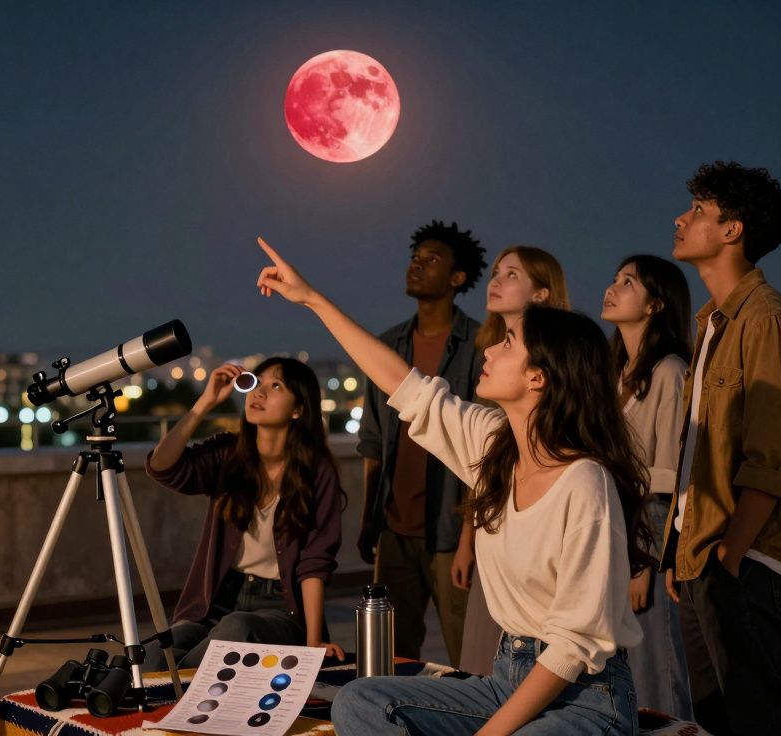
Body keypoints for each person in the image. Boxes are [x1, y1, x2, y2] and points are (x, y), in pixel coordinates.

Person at [256, 237, 650, 735]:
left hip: (584, 698)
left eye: (509, 344)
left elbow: (573, 645)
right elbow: (402, 384)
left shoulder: (585, 484)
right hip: (505, 677)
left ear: (539, 378)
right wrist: (311, 298)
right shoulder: (494, 445)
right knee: (361, 701)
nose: (490, 347)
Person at [661, 161, 781, 735]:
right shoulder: (715, 323)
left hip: (745, 559)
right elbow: (701, 451)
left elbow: (775, 459)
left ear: (732, 230)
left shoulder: (766, 321)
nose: (681, 218)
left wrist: (727, 557)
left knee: (760, 718)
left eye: (698, 210)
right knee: (717, 718)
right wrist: (684, 547)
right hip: (709, 554)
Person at [146, 358, 346, 667]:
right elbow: (163, 468)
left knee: (237, 629)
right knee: (155, 653)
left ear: (298, 409)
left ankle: (175, 686)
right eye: (257, 383)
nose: (259, 393)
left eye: (275, 386)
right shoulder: (228, 454)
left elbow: (314, 563)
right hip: (217, 602)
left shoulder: (316, 472)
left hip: (279, 608)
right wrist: (205, 403)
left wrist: (312, 642)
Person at [355, 220, 487, 667]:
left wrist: (470, 539)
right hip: (395, 528)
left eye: (432, 260)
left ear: (457, 279)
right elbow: (374, 442)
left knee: (466, 652)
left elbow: (483, 449)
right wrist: (369, 518)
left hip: (451, 531)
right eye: (416, 256)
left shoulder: (478, 346)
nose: (417, 265)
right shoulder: (390, 344)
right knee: (392, 654)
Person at [456, 245, 569, 676]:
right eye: (496, 272)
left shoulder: (556, 356)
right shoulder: (489, 356)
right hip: (494, 517)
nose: (495, 282)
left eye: (512, 274)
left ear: (542, 294)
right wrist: (470, 536)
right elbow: (486, 456)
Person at [601, 253, 693, 719]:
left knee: (658, 661)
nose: (612, 288)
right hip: (616, 523)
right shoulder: (615, 373)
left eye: (628, 283)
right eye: (615, 279)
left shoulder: (669, 371)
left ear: (656, 304)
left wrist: (647, 564)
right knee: (623, 663)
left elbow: (673, 475)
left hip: (650, 526)